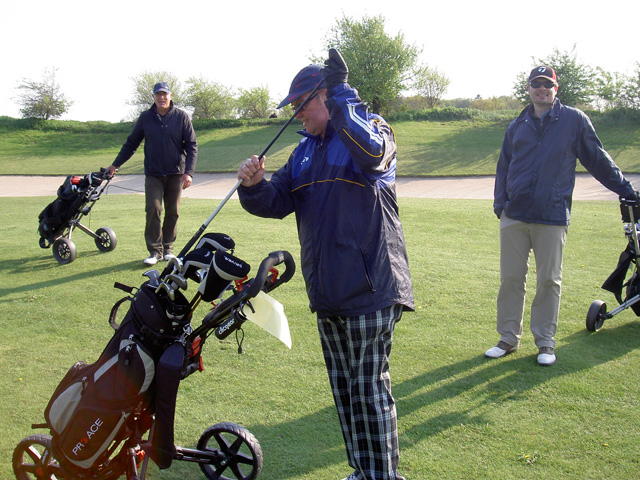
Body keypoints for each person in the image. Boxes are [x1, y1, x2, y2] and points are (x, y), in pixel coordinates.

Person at [236, 50, 414, 480]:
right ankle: (363, 472)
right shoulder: (303, 152)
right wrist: (254, 186)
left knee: (370, 392)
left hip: (371, 289)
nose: (297, 114)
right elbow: (277, 201)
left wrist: (342, 95)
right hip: (328, 293)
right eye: (294, 107)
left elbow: (372, 155)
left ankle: (383, 476)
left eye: (302, 104)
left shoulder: (372, 128)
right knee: (347, 393)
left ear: (325, 97)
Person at [487, 66, 637, 366]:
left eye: (547, 84)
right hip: (515, 214)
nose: (542, 89)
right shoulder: (517, 124)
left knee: (549, 281)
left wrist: (626, 189)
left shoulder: (574, 120)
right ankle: (508, 338)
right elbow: (504, 166)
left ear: (556, 89)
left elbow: (597, 159)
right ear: (528, 89)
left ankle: (545, 342)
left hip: (552, 214)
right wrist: (500, 204)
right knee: (511, 279)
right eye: (536, 84)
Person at [106, 82, 198, 265]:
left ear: (170, 96)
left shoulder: (181, 117)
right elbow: (131, 144)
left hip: (176, 173)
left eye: (164, 94)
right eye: (158, 94)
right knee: (153, 209)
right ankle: (155, 251)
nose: (161, 98)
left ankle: (168, 248)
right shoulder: (145, 118)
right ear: (154, 97)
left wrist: (188, 173)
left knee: (173, 211)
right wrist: (115, 165)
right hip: (154, 174)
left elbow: (192, 145)